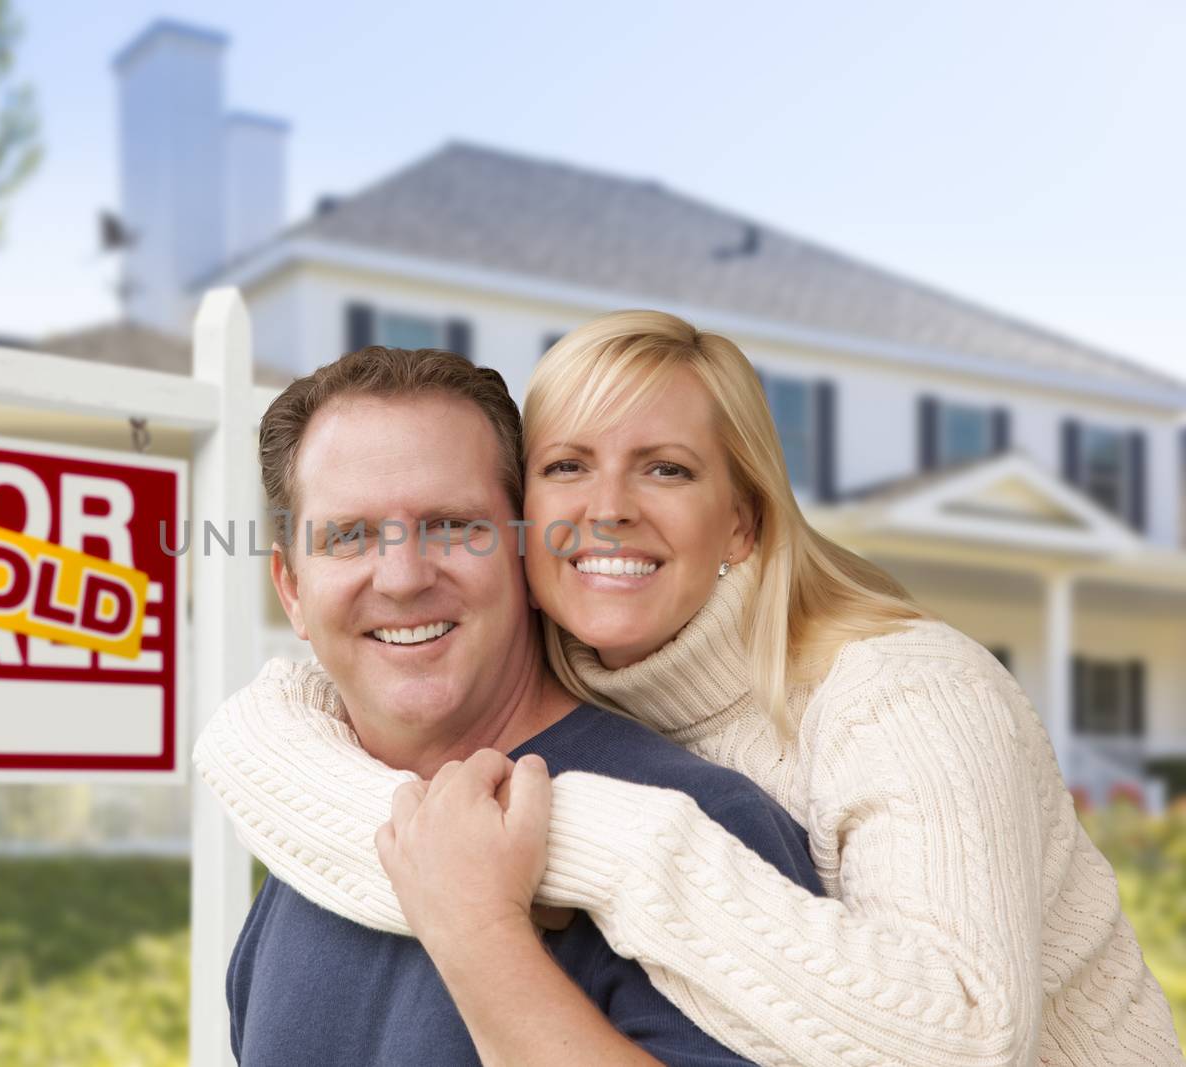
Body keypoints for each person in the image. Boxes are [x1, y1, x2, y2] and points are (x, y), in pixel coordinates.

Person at [196, 311, 1186, 1066]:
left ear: (743, 522)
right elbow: (268, 739)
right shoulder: (322, 831)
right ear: (286, 581)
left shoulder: (884, 706)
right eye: (569, 467)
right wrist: (246, 739)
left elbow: (968, 1035)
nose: (609, 511)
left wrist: (541, 881)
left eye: (452, 523)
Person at [218, 345, 825, 1066]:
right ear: (292, 589)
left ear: (527, 552)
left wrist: (483, 934)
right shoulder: (312, 845)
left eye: (451, 525)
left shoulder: (702, 826)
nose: (404, 576)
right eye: (349, 536)